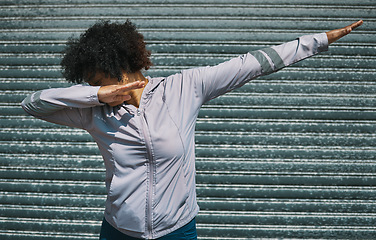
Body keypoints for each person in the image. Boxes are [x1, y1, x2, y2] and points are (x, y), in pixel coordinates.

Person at [21, 19, 363, 240]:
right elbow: (32, 103)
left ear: (121, 69)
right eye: (89, 86)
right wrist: (97, 94)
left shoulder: (183, 88)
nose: (92, 89)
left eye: (97, 80)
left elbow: (251, 65)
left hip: (177, 230)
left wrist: (317, 40)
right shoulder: (93, 112)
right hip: (119, 231)